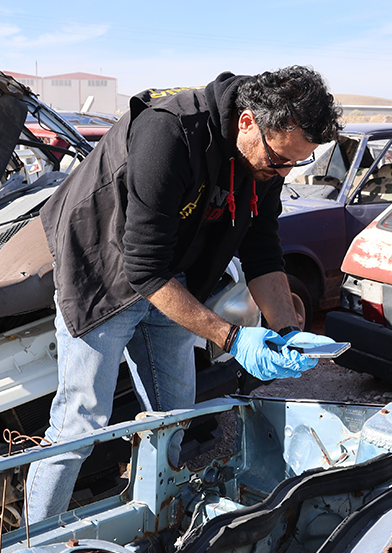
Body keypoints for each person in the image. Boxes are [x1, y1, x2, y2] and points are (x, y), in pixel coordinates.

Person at [26, 66, 343, 523]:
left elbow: (261, 246)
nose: (283, 173)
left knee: (174, 415)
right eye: (279, 161)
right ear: (249, 121)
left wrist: (287, 330)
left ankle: (149, 518)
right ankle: (30, 543)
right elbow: (142, 267)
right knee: (81, 420)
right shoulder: (169, 131)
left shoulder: (265, 158)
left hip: (171, 276)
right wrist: (232, 339)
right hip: (103, 269)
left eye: (297, 163)